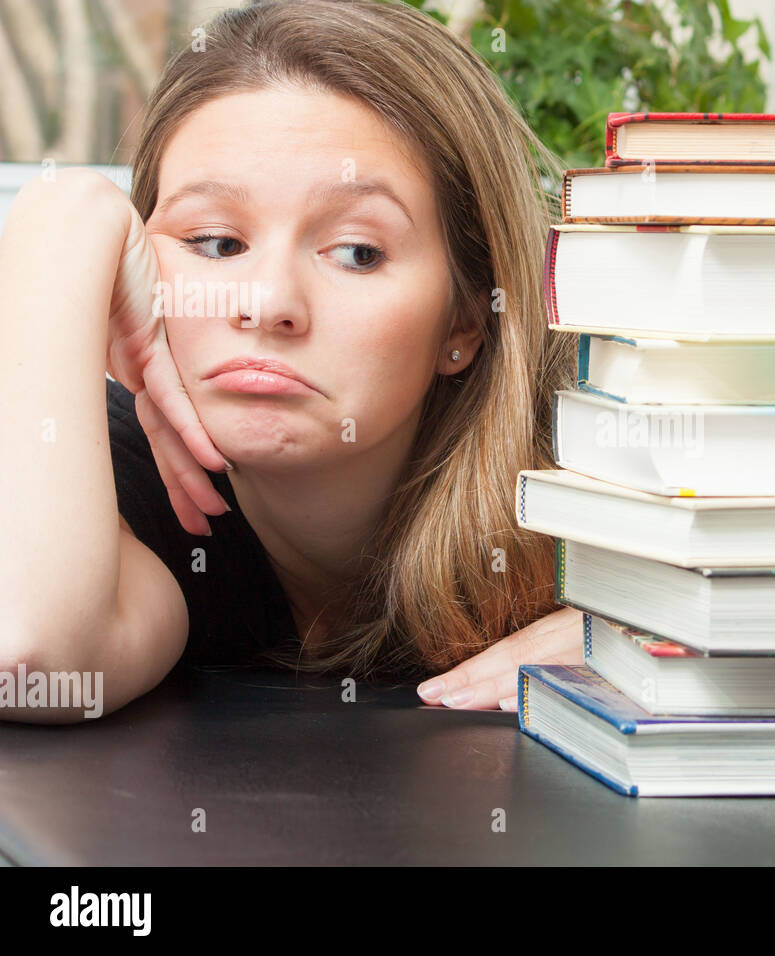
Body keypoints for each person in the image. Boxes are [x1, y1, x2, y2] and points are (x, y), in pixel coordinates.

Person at [0, 0, 584, 723]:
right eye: (215, 243)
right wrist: (62, 212)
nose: (268, 303)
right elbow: (27, 657)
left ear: (466, 318)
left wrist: (657, 635)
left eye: (357, 253)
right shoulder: (115, 485)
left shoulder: (594, 473)